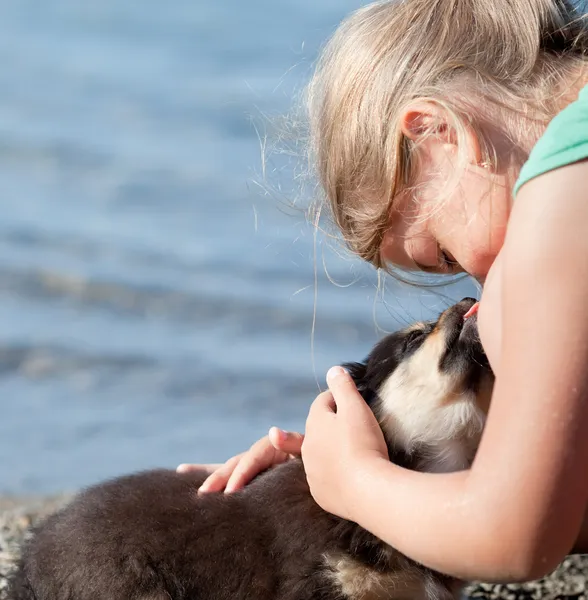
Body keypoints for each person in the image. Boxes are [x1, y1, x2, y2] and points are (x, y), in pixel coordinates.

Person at [178, 0, 588, 583]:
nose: (478, 287)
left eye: (444, 253)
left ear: (433, 132)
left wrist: (357, 484)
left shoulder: (563, 191)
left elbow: (518, 540)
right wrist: (392, 457)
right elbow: (565, 503)